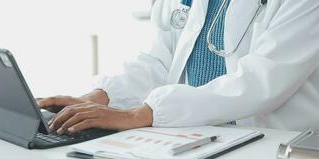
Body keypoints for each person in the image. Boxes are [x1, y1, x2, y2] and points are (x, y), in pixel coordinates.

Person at [37, 0, 319, 135]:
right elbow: (160, 60)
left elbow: (261, 82)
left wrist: (143, 113)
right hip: (194, 136)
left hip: (271, 144)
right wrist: (101, 97)